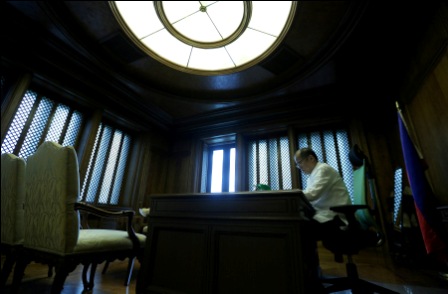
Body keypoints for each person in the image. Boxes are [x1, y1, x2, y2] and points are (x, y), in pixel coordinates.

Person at [294, 147, 351, 240]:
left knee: (298, 228)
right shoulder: (311, 177)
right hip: (324, 215)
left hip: (335, 218)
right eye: (297, 164)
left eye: (299, 162)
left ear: (311, 158)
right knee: (297, 224)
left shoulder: (323, 169)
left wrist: (293, 194)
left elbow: (313, 194)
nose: (299, 167)